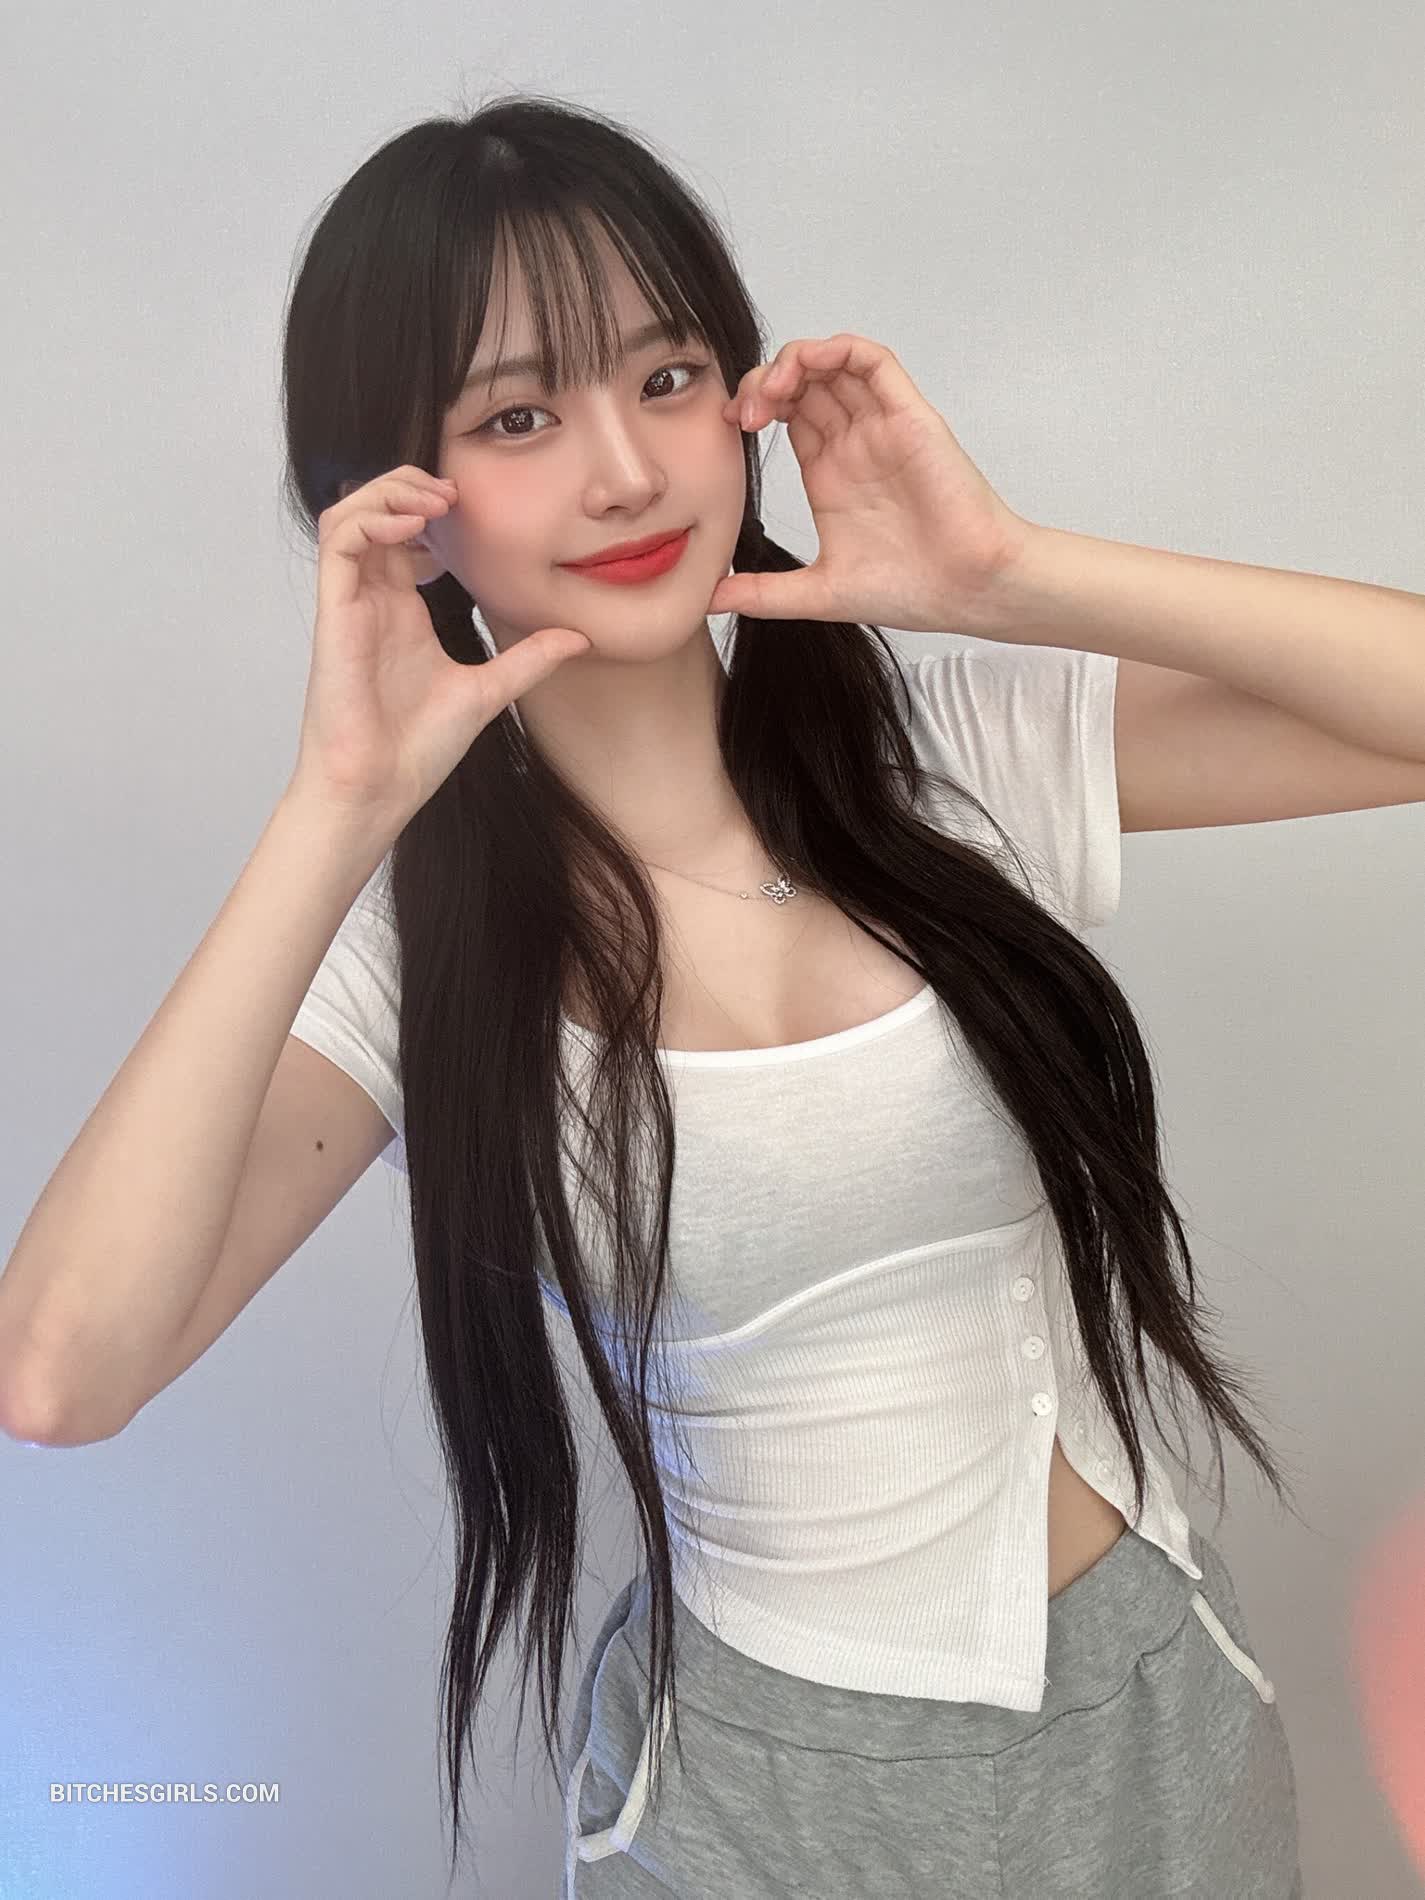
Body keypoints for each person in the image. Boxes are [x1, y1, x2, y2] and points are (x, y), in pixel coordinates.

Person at [0, 94, 1304, 1896]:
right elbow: (61, 1372)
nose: (625, 472)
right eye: (516, 416)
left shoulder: (944, 761)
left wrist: (1007, 573)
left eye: (669, 377)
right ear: (394, 500)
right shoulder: (420, 960)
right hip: (763, 1799)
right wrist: (337, 804)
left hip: (1152, 1706)